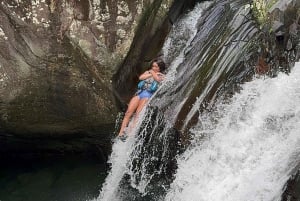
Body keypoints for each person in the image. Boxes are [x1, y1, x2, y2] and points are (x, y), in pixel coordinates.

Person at [118, 58, 166, 138]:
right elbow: (141, 77)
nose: (153, 68)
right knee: (128, 113)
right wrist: (151, 73)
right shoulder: (148, 72)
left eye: (156, 67)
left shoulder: (162, 76)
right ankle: (121, 133)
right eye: (153, 66)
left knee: (138, 114)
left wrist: (153, 73)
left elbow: (158, 79)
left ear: (160, 68)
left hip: (147, 95)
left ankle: (129, 134)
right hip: (140, 93)